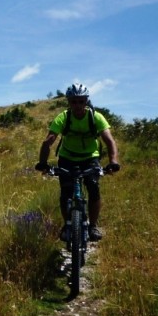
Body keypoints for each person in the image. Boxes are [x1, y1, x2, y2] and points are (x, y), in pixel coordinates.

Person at [35, 84, 120, 241]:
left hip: (90, 157)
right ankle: (68, 225)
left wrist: (113, 162)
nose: (78, 105)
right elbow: (48, 141)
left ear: (86, 101)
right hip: (67, 158)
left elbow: (110, 141)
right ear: (69, 102)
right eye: (74, 101)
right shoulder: (63, 118)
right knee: (66, 193)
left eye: (81, 101)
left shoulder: (96, 117)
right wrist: (43, 163)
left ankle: (93, 226)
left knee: (93, 188)